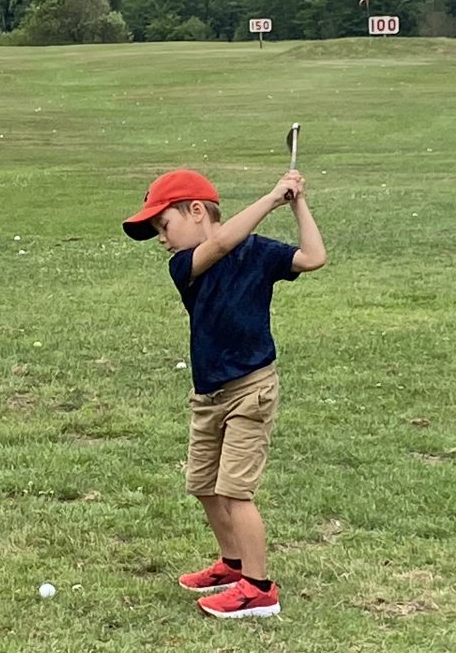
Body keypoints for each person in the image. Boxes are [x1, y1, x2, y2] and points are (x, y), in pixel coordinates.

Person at [122, 168, 326, 618]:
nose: (162, 238)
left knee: (235, 492)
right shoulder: (186, 265)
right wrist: (270, 198)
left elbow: (313, 257)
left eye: (164, 225)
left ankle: (258, 589)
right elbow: (220, 244)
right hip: (208, 394)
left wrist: (295, 203)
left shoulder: (257, 253)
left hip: (251, 388)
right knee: (203, 484)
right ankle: (233, 565)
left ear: (196, 211)